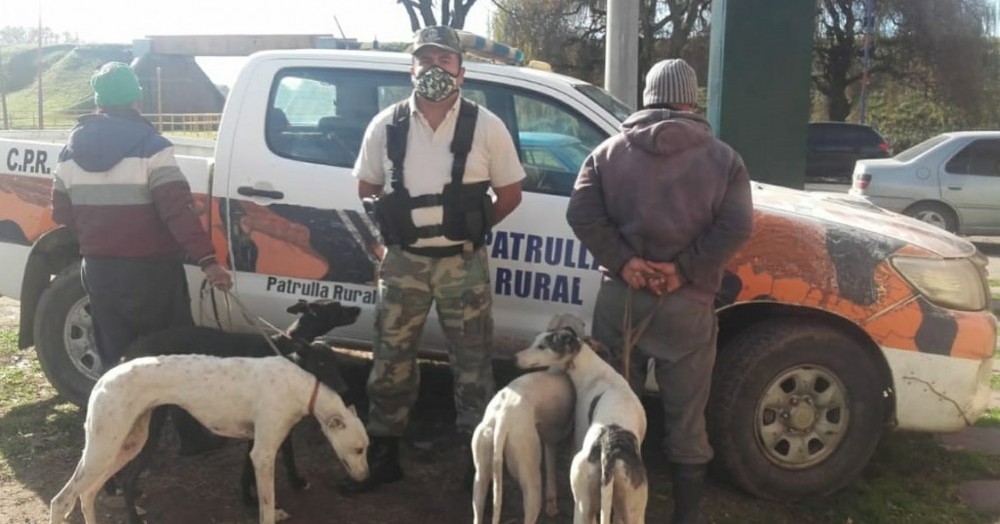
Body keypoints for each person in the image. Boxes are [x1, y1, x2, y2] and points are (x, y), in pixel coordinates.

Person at [566, 58, 753, 524]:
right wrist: (682, 270)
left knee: (609, 407)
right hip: (687, 306)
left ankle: (600, 505)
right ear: (691, 99)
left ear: (648, 96)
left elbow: (581, 214)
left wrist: (626, 263)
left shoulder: (606, 153)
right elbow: (737, 225)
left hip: (620, 302)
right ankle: (685, 516)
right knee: (687, 417)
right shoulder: (725, 160)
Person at [345, 25, 525, 493]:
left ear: (461, 73)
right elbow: (366, 190)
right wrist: (386, 242)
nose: (434, 69)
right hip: (403, 263)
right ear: (411, 69)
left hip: (461, 264)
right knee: (390, 360)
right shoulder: (386, 125)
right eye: (425, 60)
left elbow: (509, 193)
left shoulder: (486, 126)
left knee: (472, 363)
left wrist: (471, 227)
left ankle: (477, 464)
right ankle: (384, 455)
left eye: (444, 61)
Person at [52, 61, 232, 453]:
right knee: (174, 353)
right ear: (136, 98)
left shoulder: (69, 151)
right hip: (152, 272)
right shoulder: (152, 147)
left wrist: (100, 232)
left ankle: (119, 441)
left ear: (98, 101)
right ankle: (192, 437)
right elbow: (176, 211)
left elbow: (61, 214)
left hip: (98, 271)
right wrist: (208, 260)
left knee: (116, 356)